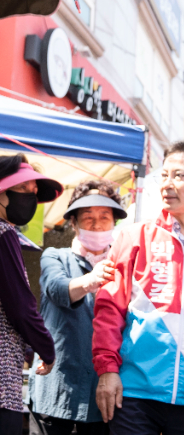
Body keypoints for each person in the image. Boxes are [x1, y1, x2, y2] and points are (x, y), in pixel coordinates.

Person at [92, 141, 184, 435]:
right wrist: (108, 370)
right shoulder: (133, 237)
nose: (168, 184)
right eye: (164, 175)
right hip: (135, 392)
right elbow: (109, 308)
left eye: (179, 175)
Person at [28, 180, 127, 435]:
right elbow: (58, 289)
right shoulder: (54, 256)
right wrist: (91, 280)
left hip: (101, 393)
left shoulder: (124, 265)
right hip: (56, 389)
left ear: (114, 222)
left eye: (104, 217)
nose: (96, 224)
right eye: (87, 217)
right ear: (73, 223)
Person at [0, 154, 62, 434]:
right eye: (22, 189)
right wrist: (45, 348)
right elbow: (21, 307)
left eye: (34, 193)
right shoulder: (4, 234)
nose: (30, 197)